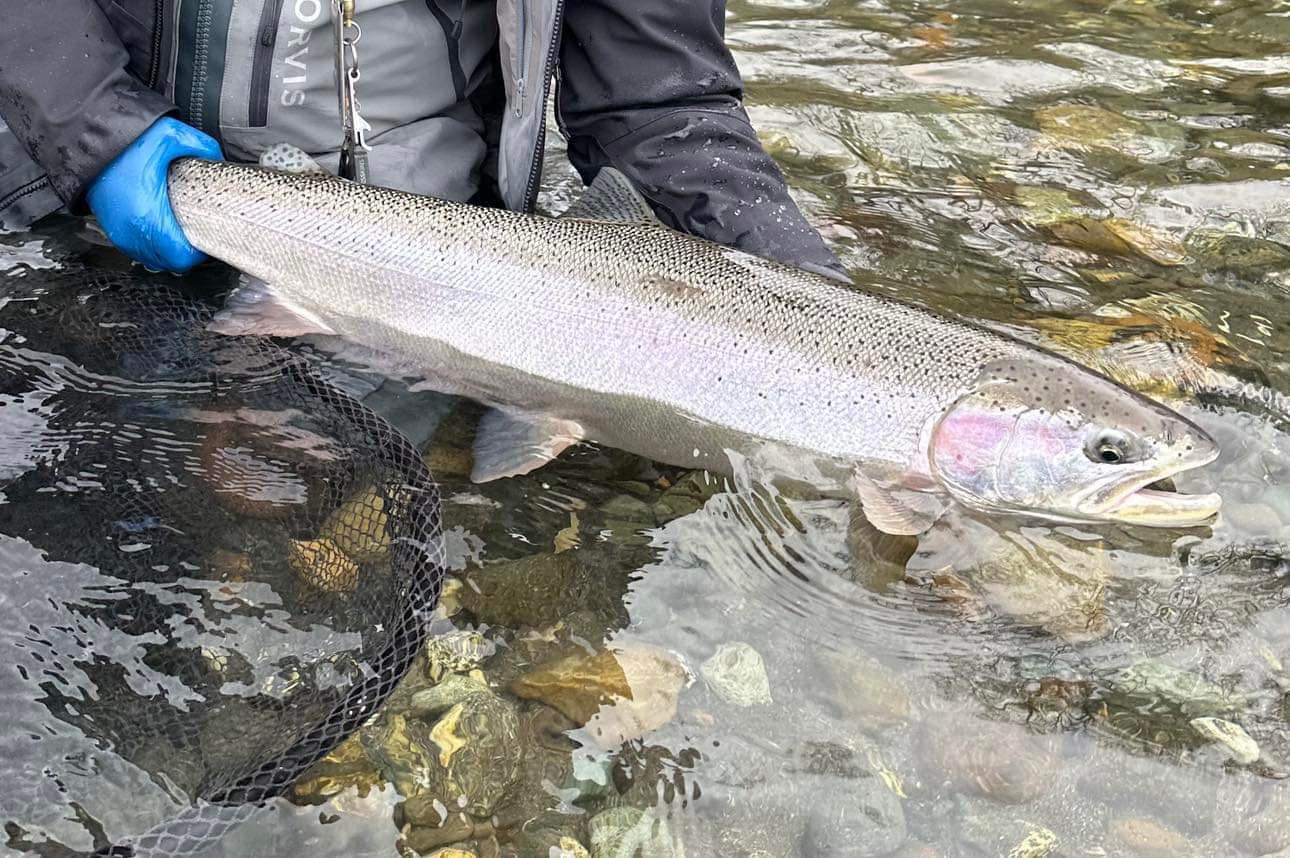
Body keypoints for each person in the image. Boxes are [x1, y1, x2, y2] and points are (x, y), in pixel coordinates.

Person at [0, 0, 844, 280]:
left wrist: (800, 294)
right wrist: (92, 129)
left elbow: (660, 105)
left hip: (443, 266)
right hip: (81, 212)